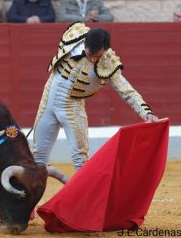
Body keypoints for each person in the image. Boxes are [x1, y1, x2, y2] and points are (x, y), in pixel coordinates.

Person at [32, 22, 158, 172]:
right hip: (48, 101)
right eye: (90, 55)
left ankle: (84, 195)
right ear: (84, 42)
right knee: (38, 156)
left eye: (98, 56)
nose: (93, 60)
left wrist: (146, 112)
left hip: (72, 107)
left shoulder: (108, 61)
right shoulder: (73, 36)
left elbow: (126, 90)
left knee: (81, 159)